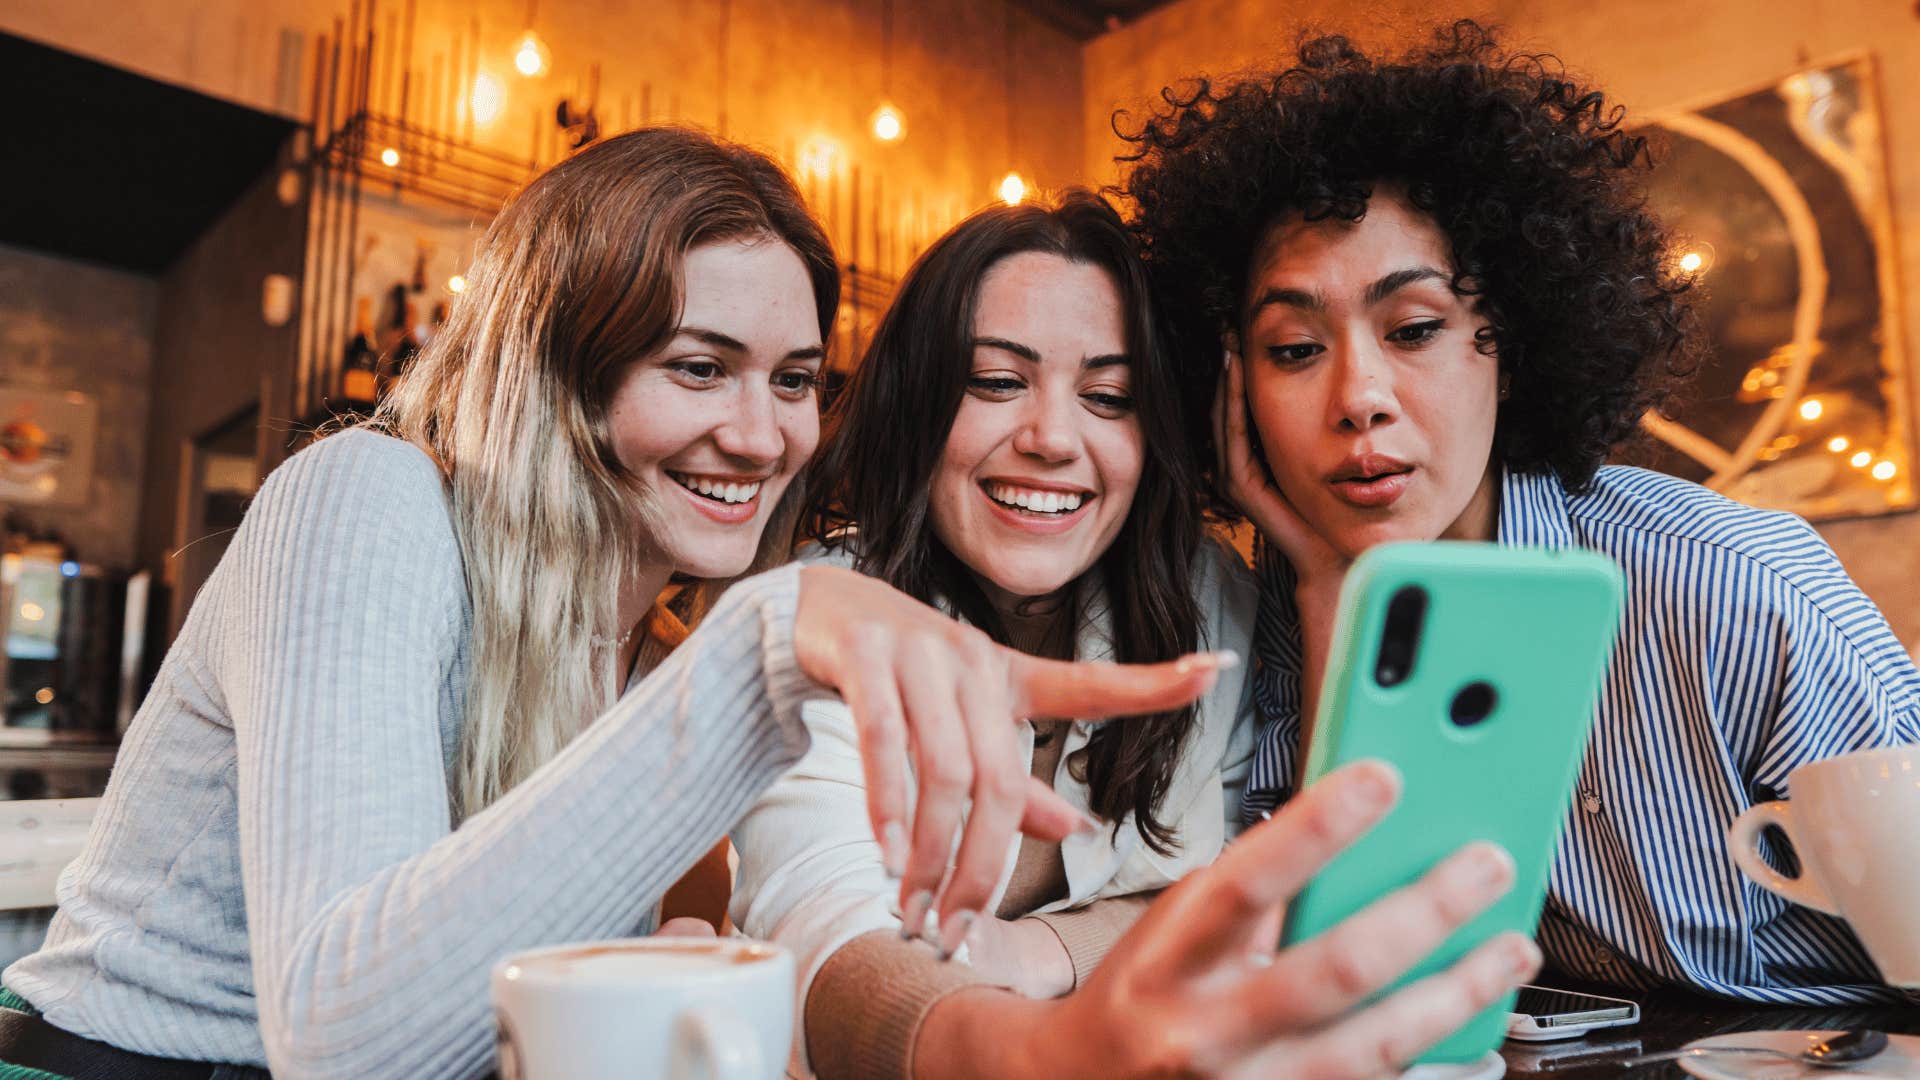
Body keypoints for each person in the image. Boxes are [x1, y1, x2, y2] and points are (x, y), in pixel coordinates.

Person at [0, 128, 1224, 1080]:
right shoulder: (365, 497)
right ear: (559, 368)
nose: (761, 436)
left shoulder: (640, 648)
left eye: (795, 380)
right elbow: (347, 1039)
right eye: (698, 368)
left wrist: (640, 973)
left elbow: (467, 975)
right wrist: (762, 648)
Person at [1119, 21, 1920, 1005]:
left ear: (1514, 342)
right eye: (1293, 349)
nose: (1357, 396)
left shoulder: (1727, 586)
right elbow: (1341, 988)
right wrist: (1336, 611)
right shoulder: (1245, 627)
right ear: (1228, 384)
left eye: (1413, 329)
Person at [731, 192, 1257, 1077]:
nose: (1053, 437)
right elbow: (823, 925)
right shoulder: (824, 612)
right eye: (997, 382)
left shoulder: (1207, 597)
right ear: (918, 407)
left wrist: (1042, 955)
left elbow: (1253, 885)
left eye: (1108, 395)